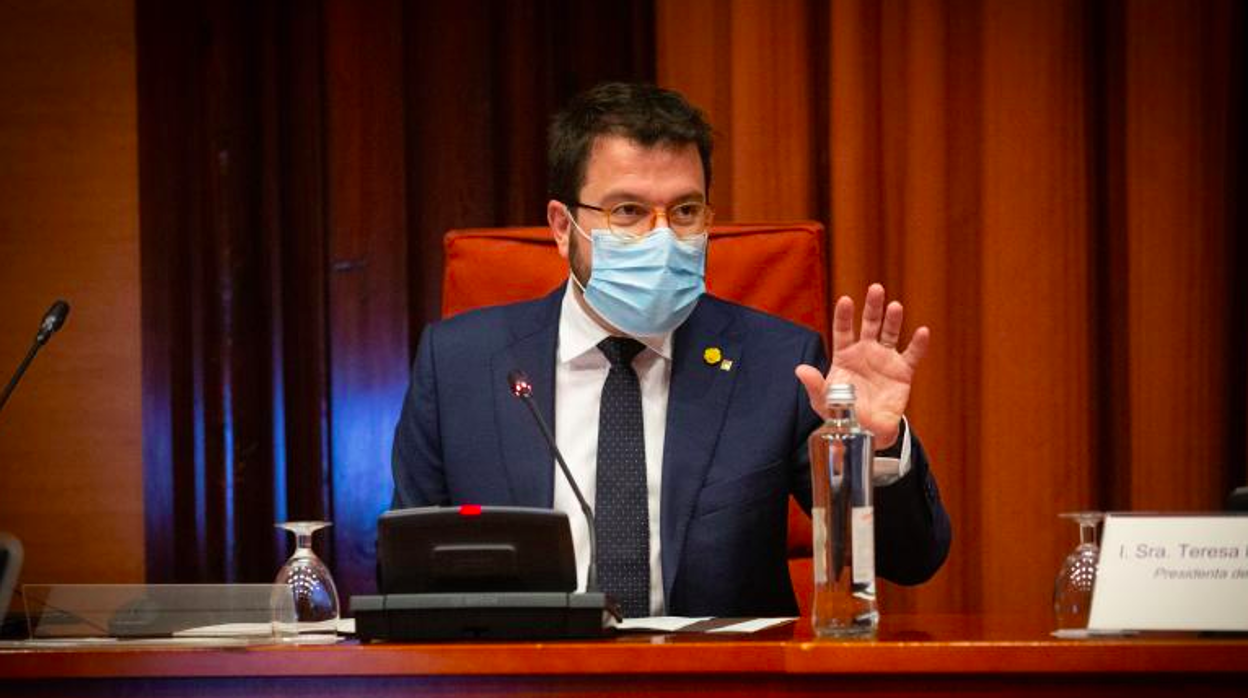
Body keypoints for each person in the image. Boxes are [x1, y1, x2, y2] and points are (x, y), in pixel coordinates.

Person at [391, 82, 951, 618]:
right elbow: (409, 578)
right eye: (628, 212)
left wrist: (875, 449)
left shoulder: (777, 363)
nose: (662, 238)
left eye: (685, 212)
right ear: (563, 227)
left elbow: (909, 560)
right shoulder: (459, 365)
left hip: (716, 684)